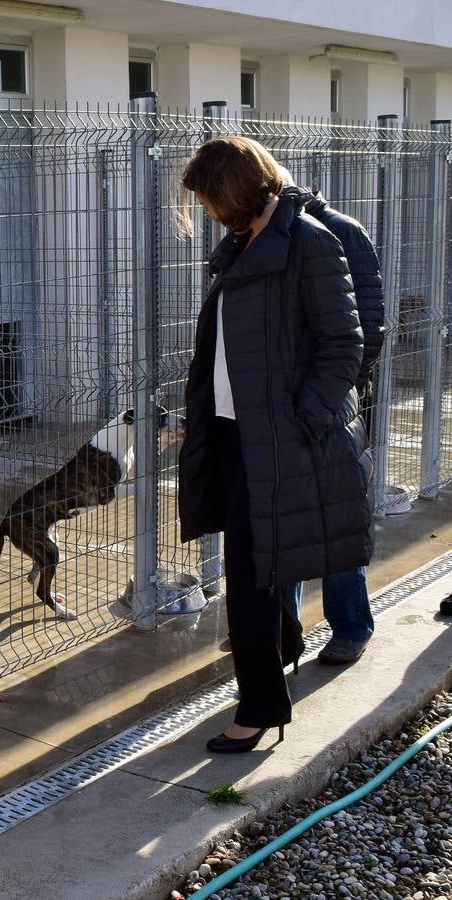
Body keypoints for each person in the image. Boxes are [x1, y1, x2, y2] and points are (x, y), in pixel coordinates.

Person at [178, 136, 374, 753]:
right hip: (237, 435)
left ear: (235, 189)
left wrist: (304, 419)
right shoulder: (242, 243)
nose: (206, 209)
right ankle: (271, 681)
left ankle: (258, 710)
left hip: (281, 439)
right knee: (256, 573)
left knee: (252, 577)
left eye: (210, 196)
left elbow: (345, 344)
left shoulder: (310, 243)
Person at [280, 168, 384, 665]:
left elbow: (367, 326)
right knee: (291, 522)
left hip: (334, 402)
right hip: (289, 405)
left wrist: (340, 393)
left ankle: (351, 625)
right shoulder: (270, 236)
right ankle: (286, 632)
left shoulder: (340, 232)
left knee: (339, 518)